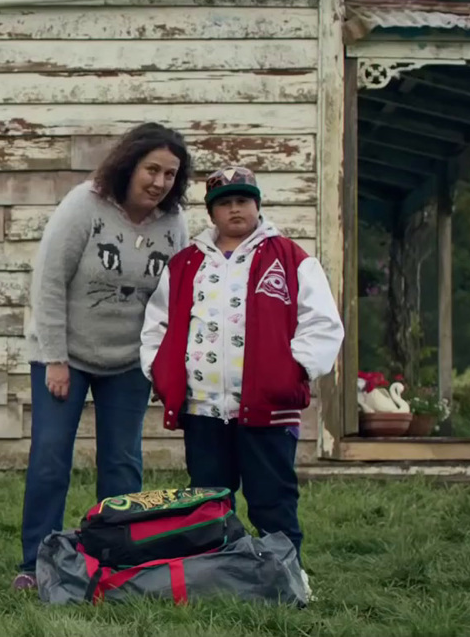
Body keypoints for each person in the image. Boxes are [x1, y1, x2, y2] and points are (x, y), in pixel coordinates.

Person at [138, 165, 344, 580]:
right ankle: (218, 574)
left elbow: (322, 322)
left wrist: (292, 371)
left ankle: (285, 576)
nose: (235, 210)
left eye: (243, 201)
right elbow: (157, 324)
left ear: (257, 206)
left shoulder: (290, 258)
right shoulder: (185, 265)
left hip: (268, 406)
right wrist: (160, 372)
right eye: (225, 203)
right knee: (209, 498)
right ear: (211, 214)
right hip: (204, 407)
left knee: (272, 497)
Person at [15, 123, 193, 590]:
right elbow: (49, 281)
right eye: (151, 169)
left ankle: (114, 561)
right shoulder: (84, 205)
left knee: (123, 462)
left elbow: (177, 300)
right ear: (129, 164)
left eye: (170, 174)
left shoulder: (175, 224)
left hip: (129, 363)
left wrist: (162, 364)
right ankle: (36, 564)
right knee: (51, 458)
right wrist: (54, 357)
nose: (159, 182)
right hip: (65, 355)